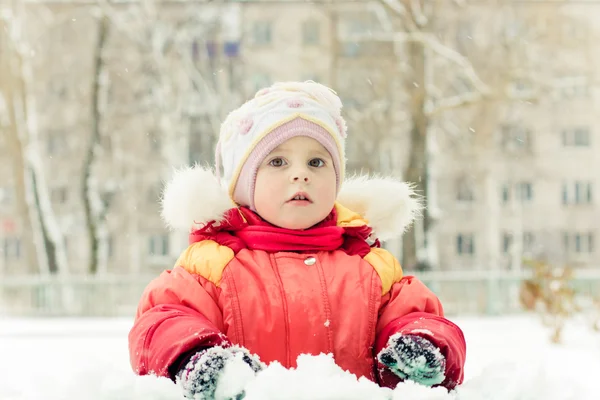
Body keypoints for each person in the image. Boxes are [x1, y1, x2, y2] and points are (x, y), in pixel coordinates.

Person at [128, 81, 466, 399]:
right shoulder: (213, 264)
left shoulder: (371, 267)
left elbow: (419, 316)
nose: (300, 173)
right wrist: (197, 357)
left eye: (316, 162)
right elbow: (164, 320)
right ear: (245, 186)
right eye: (277, 161)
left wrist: (423, 345)